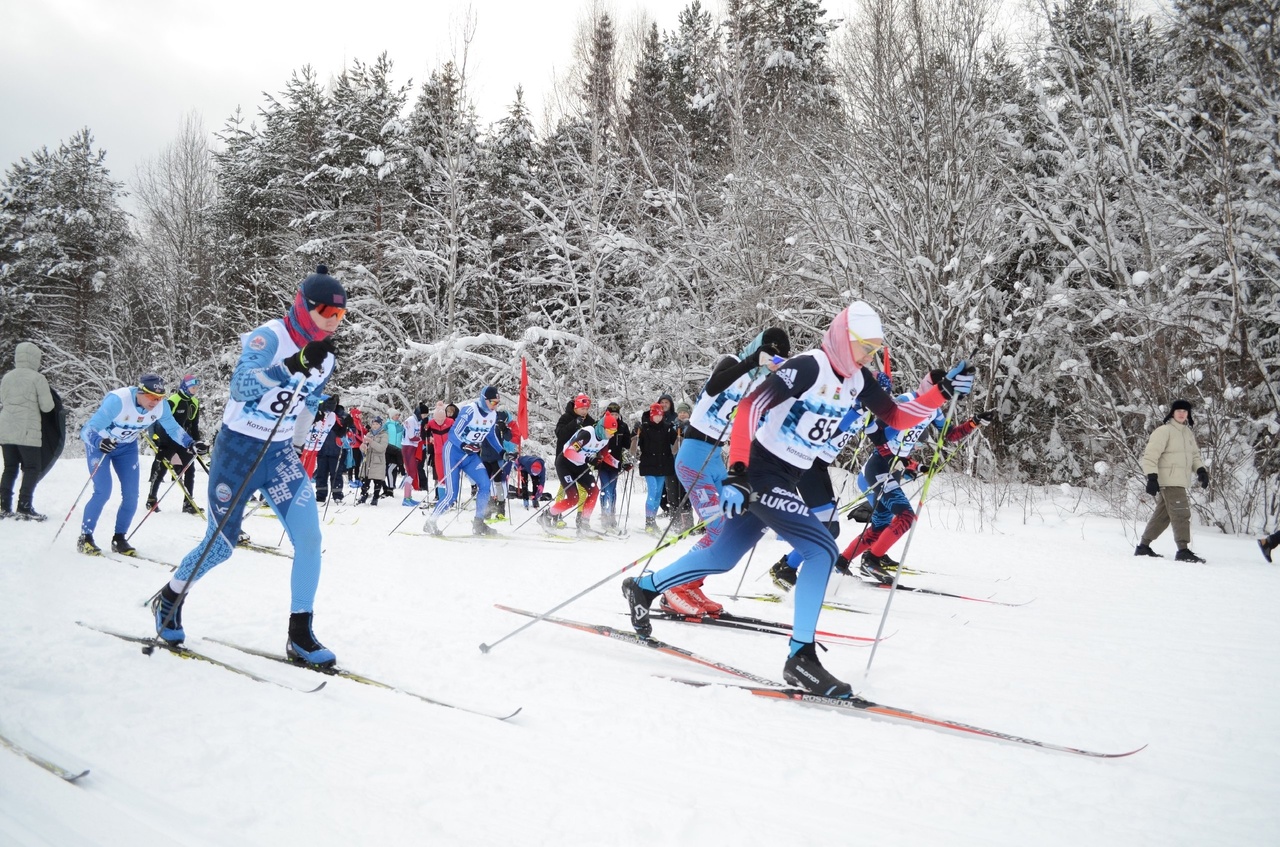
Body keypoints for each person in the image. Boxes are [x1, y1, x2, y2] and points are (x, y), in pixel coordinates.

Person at [620, 301, 972, 697]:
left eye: (874, 348)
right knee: (822, 547)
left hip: (787, 476)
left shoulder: (859, 380)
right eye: (863, 345)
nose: (868, 355)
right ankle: (800, 657)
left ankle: (645, 587)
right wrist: (736, 471)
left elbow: (897, 417)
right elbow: (750, 408)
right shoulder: (809, 366)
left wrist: (939, 393)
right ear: (843, 336)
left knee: (721, 556)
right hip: (761, 472)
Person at [150, 264, 343, 666]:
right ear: (304, 307)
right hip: (238, 450)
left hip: (278, 455)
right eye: (326, 312)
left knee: (309, 539)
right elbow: (241, 385)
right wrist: (290, 366)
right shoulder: (269, 336)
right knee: (220, 546)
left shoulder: (325, 359)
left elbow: (309, 401)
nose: (333, 322)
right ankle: (169, 598)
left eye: (340, 315)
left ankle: (300, 633)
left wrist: (301, 440)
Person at [661, 327, 791, 615]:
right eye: (771, 353)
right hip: (693, 456)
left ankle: (691, 584)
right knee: (717, 527)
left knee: (728, 528)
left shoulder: (759, 386)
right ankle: (673, 585)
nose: (772, 361)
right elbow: (714, 386)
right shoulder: (732, 361)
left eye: (778, 359)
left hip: (717, 458)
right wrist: (751, 361)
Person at [831, 371, 995, 583]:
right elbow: (876, 433)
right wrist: (893, 457)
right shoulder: (905, 401)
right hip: (879, 467)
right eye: (940, 392)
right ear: (930, 386)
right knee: (905, 516)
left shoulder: (933, 410)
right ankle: (871, 560)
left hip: (893, 468)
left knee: (880, 526)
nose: (942, 398)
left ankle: (842, 562)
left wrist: (975, 422)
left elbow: (950, 435)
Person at [79, 374, 209, 555]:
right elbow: (87, 430)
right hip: (101, 447)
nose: (155, 402)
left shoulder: (160, 406)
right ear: (140, 391)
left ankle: (119, 538)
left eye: (159, 398)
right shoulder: (118, 400)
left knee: (132, 495)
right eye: (150, 397)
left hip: (126, 448)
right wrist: (98, 441)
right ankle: (85, 538)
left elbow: (172, 428)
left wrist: (190, 444)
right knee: (103, 491)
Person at [423, 386, 505, 537]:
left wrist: (503, 452)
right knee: (451, 494)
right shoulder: (470, 411)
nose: (495, 405)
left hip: (471, 456)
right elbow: (453, 433)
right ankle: (431, 522)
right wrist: (463, 445)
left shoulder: (493, 415)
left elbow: (491, 435)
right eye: (493, 402)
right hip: (453, 451)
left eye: (497, 402)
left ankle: (478, 523)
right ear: (484, 399)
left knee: (485, 484)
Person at [1135, 399, 1209, 563]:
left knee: (1163, 516)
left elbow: (1195, 456)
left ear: (1188, 414)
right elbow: (1150, 455)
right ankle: (1183, 550)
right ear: (1172, 413)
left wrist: (1201, 470)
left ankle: (1143, 547)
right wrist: (1152, 477)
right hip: (1169, 481)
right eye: (1178, 411)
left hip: (1178, 481)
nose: (1182, 414)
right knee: (1181, 513)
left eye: (1185, 411)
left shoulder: (1187, 433)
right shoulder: (1164, 431)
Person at [0, 341, 56, 520]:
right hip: (27, 429)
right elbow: (47, 407)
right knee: (32, 467)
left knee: (9, 468)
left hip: (5, 427)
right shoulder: (37, 378)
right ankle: (24, 506)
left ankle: (3, 506)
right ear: (35, 358)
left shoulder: (7, 377)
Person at [540, 411, 619, 536]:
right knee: (573, 498)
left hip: (579, 465)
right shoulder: (587, 434)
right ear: (602, 428)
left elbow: (605, 455)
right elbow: (569, 452)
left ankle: (584, 523)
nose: (611, 435)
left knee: (594, 491)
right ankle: (546, 516)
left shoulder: (604, 439)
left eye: (613, 432)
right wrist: (588, 459)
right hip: (565, 464)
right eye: (609, 431)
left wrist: (619, 464)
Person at [144, 374, 203, 515]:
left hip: (185, 441)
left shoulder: (194, 402)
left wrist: (197, 442)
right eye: (193, 387)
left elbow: (194, 425)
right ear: (185, 386)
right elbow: (161, 422)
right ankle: (151, 499)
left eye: (196, 388)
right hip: (168, 441)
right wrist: (160, 441)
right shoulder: (173, 401)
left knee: (190, 470)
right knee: (161, 469)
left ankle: (188, 503)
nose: (195, 390)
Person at [632, 402, 675, 536]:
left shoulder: (667, 427)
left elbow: (676, 442)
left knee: (658, 495)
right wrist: (635, 432)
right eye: (655, 416)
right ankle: (648, 521)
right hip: (649, 464)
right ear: (651, 416)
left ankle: (652, 521)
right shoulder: (645, 428)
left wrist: (679, 430)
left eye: (660, 416)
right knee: (653, 491)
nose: (658, 418)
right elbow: (633, 445)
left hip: (663, 465)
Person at [597, 401, 632, 530]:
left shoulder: (623, 426)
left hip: (615, 462)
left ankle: (611, 514)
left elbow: (627, 445)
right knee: (605, 488)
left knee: (612, 489)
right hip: (602, 462)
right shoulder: (601, 425)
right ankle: (605, 514)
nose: (614, 416)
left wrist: (634, 435)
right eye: (612, 414)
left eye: (616, 414)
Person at [423, 401, 454, 500]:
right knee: (440, 476)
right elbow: (424, 435)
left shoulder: (450, 422)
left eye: (442, 419)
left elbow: (457, 433)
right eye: (438, 419)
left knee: (450, 476)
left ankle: (452, 498)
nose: (440, 421)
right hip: (438, 453)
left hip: (449, 452)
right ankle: (441, 498)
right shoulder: (431, 422)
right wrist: (425, 428)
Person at [358, 414, 390, 505]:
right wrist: (363, 446)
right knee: (366, 479)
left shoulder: (384, 435)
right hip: (368, 460)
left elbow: (382, 448)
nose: (375, 426)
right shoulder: (369, 434)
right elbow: (362, 447)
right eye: (373, 424)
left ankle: (375, 497)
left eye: (377, 424)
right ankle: (363, 495)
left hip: (378, 461)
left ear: (380, 425)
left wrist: (371, 442)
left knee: (377, 480)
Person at [400, 403, 425, 506]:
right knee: (411, 473)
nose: (424, 417)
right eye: (424, 414)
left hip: (412, 447)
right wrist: (421, 439)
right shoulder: (411, 420)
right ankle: (406, 498)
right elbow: (411, 437)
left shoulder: (417, 421)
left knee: (413, 473)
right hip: (408, 447)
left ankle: (408, 497)